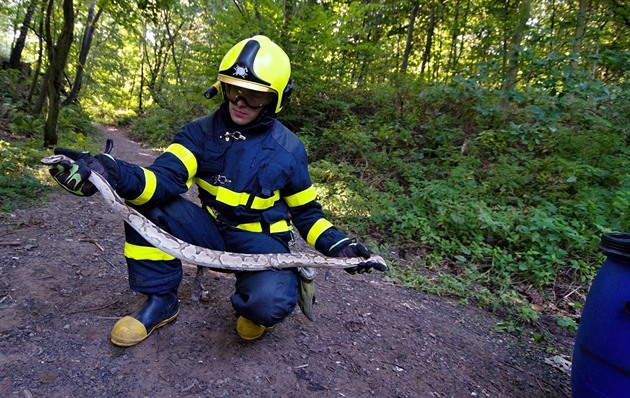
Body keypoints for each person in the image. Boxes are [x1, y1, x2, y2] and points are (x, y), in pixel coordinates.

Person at [49, 35, 386, 346]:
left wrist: (340, 246)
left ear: (275, 99)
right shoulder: (199, 133)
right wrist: (109, 173)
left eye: (254, 95)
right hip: (210, 230)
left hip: (262, 243)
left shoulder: (289, 149)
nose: (240, 102)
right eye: (232, 89)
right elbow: (162, 179)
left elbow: (307, 213)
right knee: (146, 206)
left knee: (265, 305)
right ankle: (160, 300)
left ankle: (259, 304)